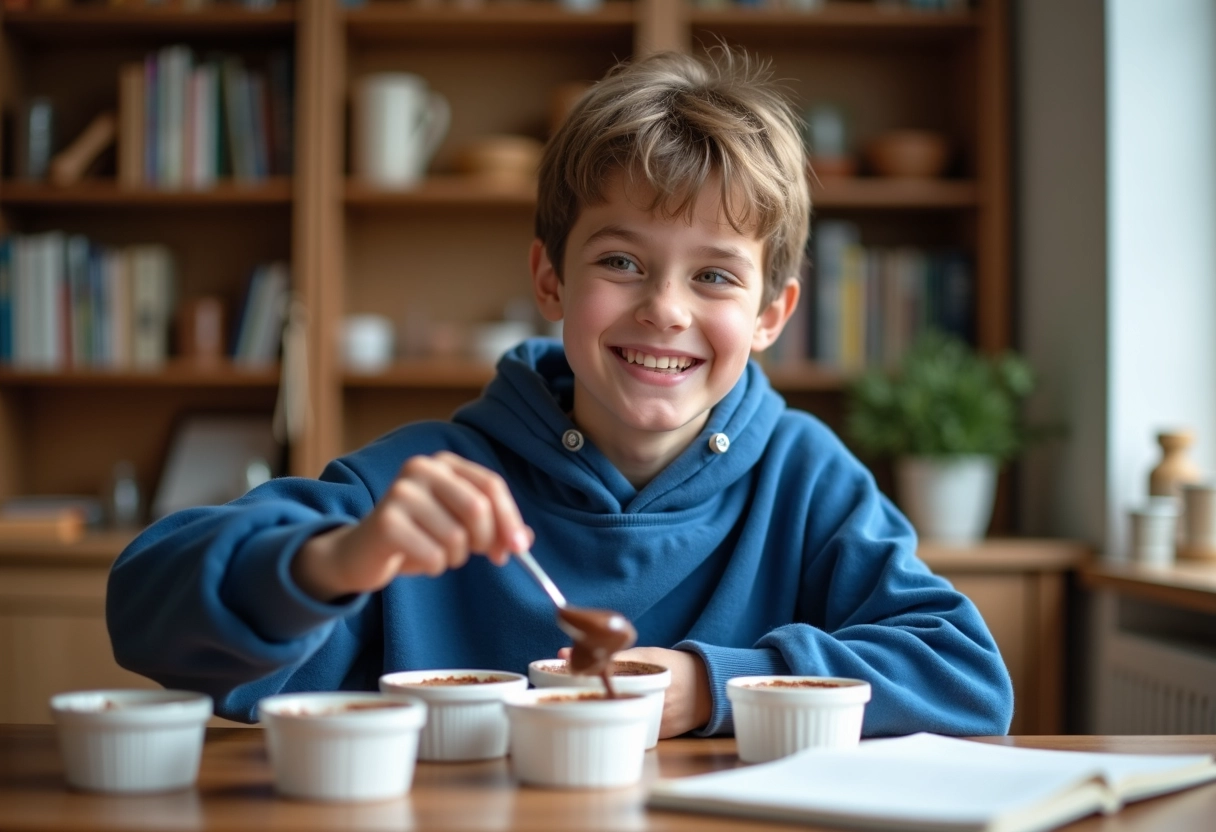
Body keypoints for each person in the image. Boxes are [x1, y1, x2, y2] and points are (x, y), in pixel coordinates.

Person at [108, 48, 1013, 738]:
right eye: (620, 262)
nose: (664, 310)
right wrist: (334, 563)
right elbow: (146, 608)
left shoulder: (805, 478)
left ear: (774, 312)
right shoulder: (426, 485)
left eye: (714, 278)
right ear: (549, 280)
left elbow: (966, 677)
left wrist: (709, 687)